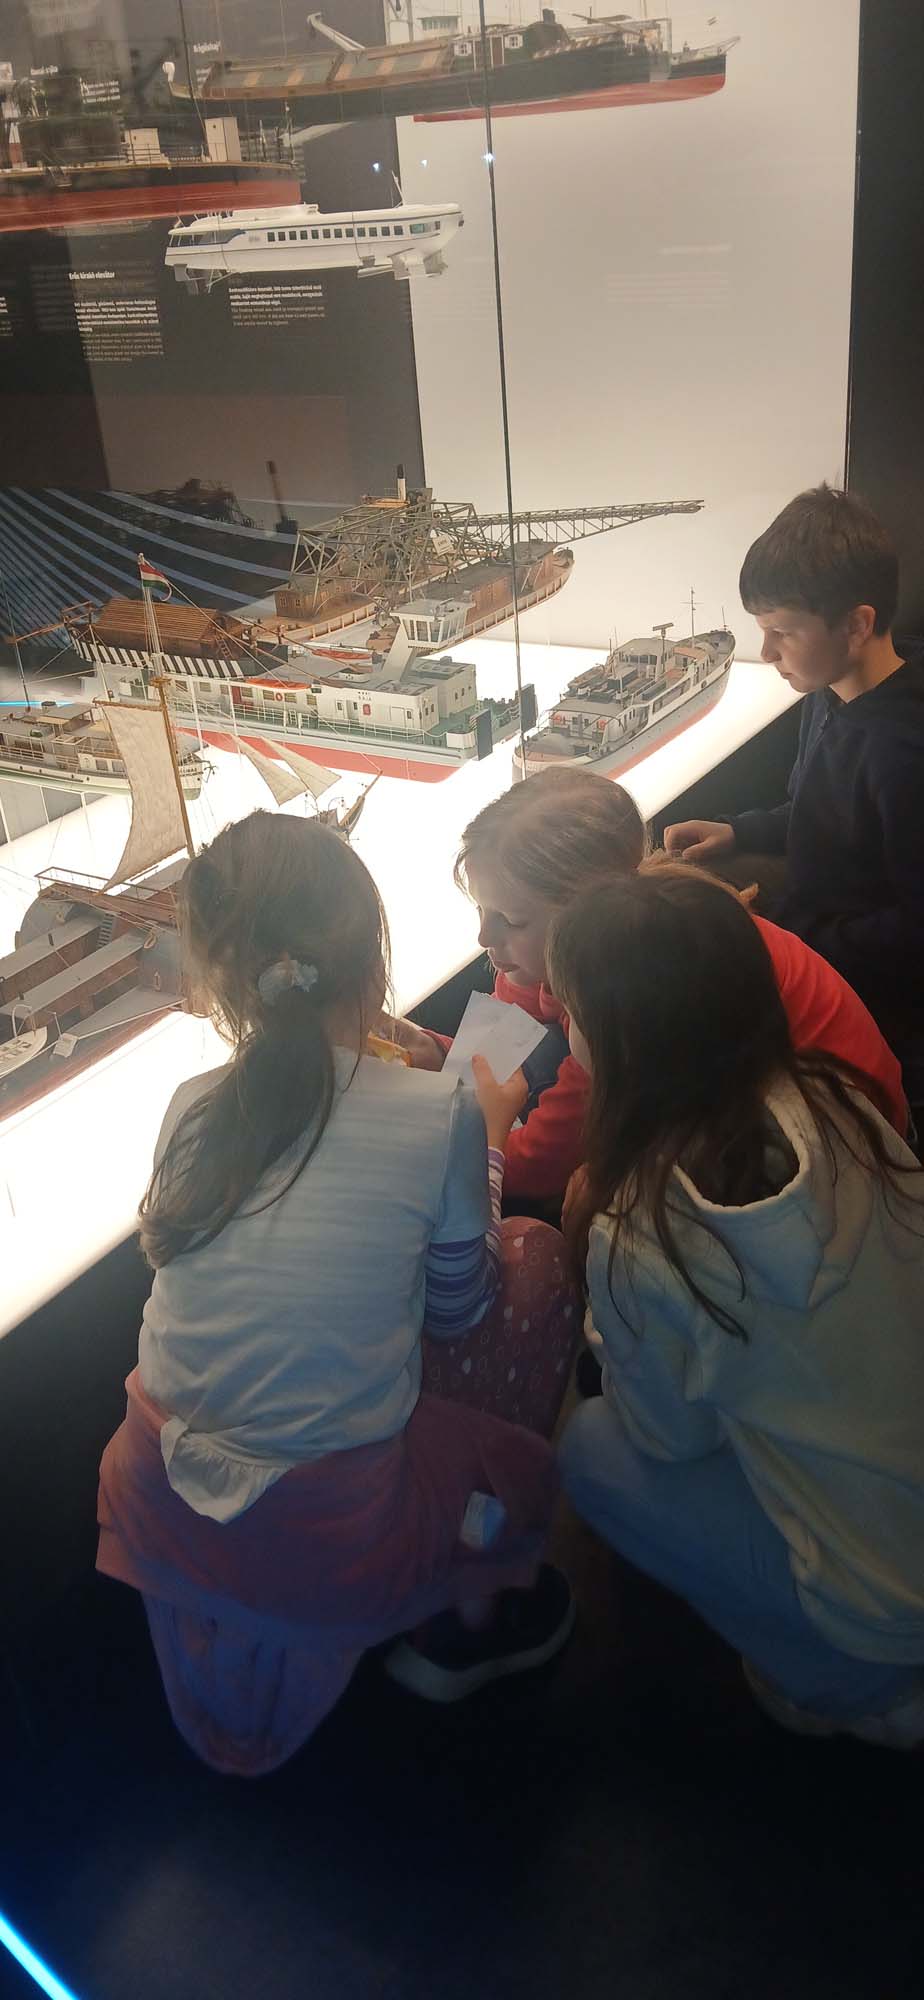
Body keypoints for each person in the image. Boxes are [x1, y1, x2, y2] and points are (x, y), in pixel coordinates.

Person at [97, 813, 581, 1777]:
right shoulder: (440, 1111)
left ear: (223, 980)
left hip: (152, 1498)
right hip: (335, 1527)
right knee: (533, 1261)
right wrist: (488, 1139)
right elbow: (461, 1310)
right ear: (373, 957)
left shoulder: (191, 1106)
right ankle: (468, 1614)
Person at [553, 864, 924, 1748]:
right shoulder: (840, 1102)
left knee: (590, 1445)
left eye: (570, 1009)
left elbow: (670, 1439)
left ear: (616, 1039)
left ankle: (842, 1686)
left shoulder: (642, 1234)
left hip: (882, 1615)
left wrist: (608, 1327)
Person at [400, 767, 907, 1206]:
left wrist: (455, 1143)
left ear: (584, 915)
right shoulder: (629, 926)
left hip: (834, 1164)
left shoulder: (626, 1001)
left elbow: (534, 1166)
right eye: (481, 910)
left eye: (511, 920)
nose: (484, 937)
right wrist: (441, 1055)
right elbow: (510, 1023)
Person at [664, 485, 924, 1112]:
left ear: (857, 625)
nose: (766, 653)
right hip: (817, 926)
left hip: (869, 998)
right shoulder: (830, 691)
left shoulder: (902, 755)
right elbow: (822, 813)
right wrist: (742, 831)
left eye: (782, 631)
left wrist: (796, 939)